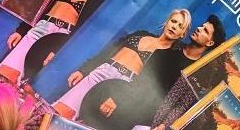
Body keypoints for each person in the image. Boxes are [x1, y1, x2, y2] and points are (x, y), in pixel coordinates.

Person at [0, 0, 118, 85]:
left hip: (59, 38)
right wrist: (22, 30)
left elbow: (81, 31)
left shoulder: (101, 1)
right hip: (41, 27)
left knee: (20, 82)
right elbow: (43, 7)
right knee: (5, 71)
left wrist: (57, 51)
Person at [52, 9, 192, 120]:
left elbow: (143, 85)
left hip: (119, 86)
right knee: (60, 110)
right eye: (173, 21)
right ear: (167, 22)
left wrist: (118, 99)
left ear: (182, 34)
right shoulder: (141, 33)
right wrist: (83, 70)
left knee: (81, 124)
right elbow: (108, 52)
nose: (174, 26)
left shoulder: (167, 57)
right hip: (103, 71)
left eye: (180, 26)